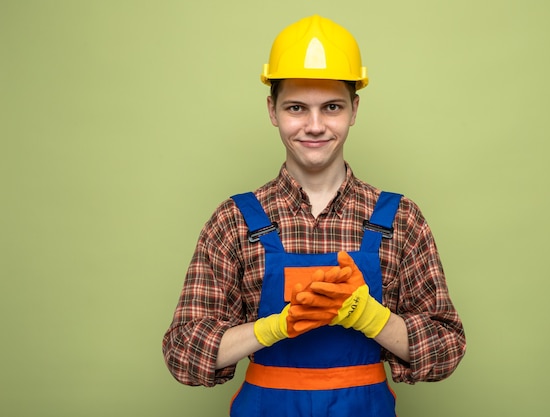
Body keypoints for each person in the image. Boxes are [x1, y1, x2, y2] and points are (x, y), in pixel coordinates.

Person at [162, 14, 466, 417]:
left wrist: (373, 319)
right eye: (296, 108)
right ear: (272, 110)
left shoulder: (400, 219)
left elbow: (446, 348)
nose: (315, 125)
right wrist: (271, 329)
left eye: (332, 107)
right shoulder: (234, 221)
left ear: (354, 110)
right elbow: (184, 353)